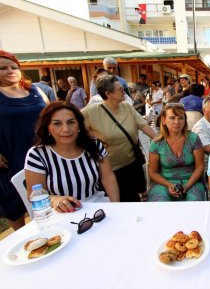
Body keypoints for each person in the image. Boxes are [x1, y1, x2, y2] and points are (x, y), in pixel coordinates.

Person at [24, 102, 120, 212]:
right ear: (48, 128)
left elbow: (108, 178)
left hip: (98, 206)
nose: (66, 129)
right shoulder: (37, 155)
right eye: (57, 124)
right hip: (61, 214)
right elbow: (34, 195)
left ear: (79, 125)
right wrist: (54, 199)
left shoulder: (94, 145)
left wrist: (116, 207)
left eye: (71, 122)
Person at [81, 75, 157, 202]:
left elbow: (145, 127)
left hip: (132, 165)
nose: (125, 92)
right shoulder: (91, 112)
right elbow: (74, 125)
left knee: (133, 200)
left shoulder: (127, 107)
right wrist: (92, 137)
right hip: (110, 170)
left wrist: (165, 140)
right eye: (121, 89)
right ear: (108, 93)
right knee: (117, 202)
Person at [0, 50, 48, 230]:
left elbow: (52, 115)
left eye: (14, 67)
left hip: (42, 155)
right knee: (14, 206)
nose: (10, 70)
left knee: (45, 199)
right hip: (10, 159)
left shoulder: (35, 90)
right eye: (3, 68)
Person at [148, 103, 206, 201]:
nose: (177, 122)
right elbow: (153, 172)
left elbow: (200, 167)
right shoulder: (157, 143)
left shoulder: (193, 139)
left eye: (181, 118)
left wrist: (187, 186)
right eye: (172, 118)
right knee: (159, 205)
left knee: (194, 204)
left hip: (191, 182)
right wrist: (169, 185)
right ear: (164, 120)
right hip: (164, 183)